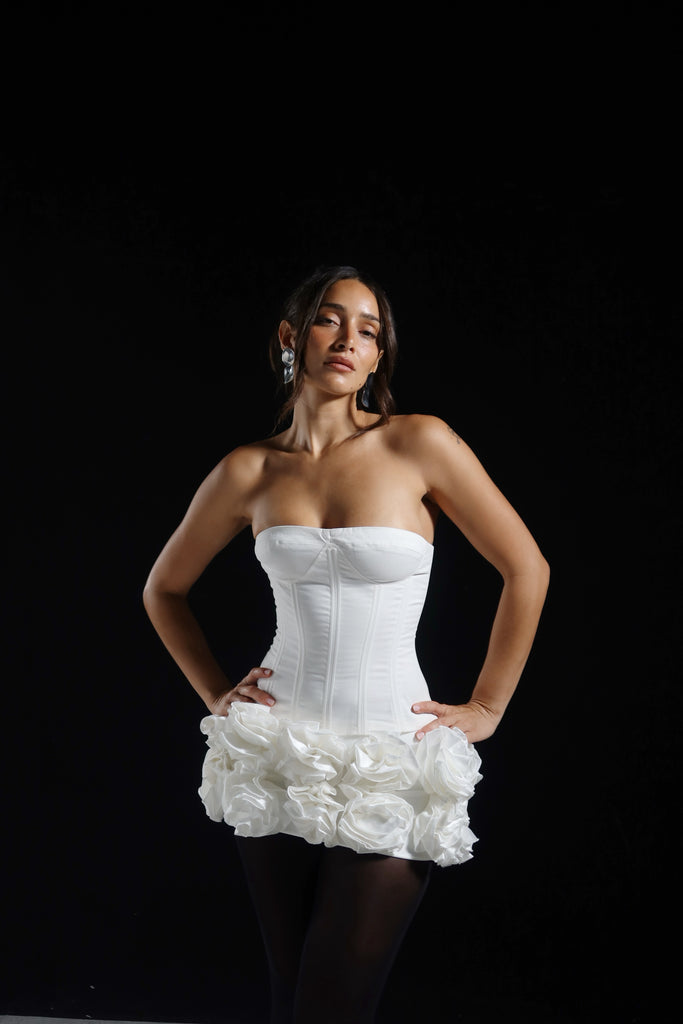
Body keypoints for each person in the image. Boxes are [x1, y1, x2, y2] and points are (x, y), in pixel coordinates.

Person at [143, 265, 550, 1024]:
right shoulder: (249, 469)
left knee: (332, 1004)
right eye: (331, 320)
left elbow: (527, 568)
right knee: (289, 992)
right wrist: (217, 695)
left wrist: (489, 704)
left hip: (391, 751)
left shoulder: (418, 443)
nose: (348, 341)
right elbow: (162, 590)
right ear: (291, 337)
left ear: (377, 357)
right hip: (277, 751)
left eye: (369, 331)